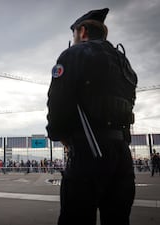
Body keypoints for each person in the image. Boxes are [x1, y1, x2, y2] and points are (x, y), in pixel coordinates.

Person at [46, 8, 137, 225]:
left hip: (88, 151)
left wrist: (58, 135)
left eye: (74, 35)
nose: (74, 39)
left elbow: (57, 102)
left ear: (83, 31)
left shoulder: (72, 54)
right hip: (121, 154)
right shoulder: (124, 62)